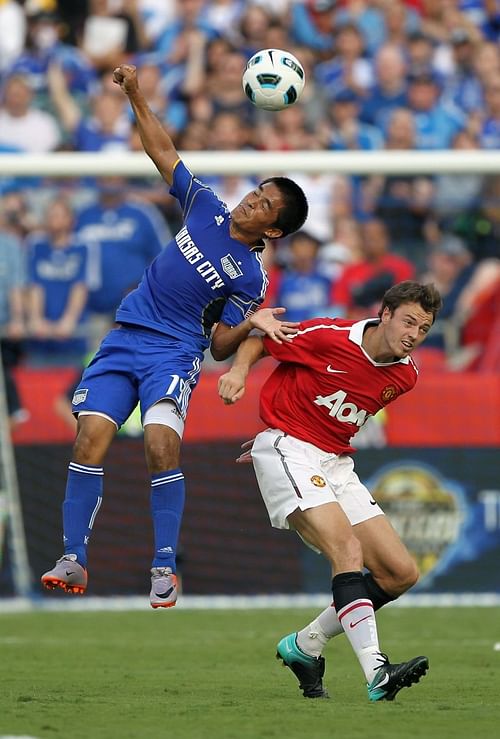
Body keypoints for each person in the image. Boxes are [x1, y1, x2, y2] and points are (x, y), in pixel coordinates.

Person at [40, 63, 309, 608]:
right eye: (255, 192)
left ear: (274, 229)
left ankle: (164, 567)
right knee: (89, 437)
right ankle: (74, 557)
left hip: (174, 352)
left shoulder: (250, 276)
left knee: (161, 447)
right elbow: (162, 152)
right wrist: (137, 94)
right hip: (123, 338)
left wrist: (249, 327)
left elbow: (219, 344)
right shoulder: (205, 206)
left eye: (263, 205)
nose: (250, 201)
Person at [218, 280, 442, 702]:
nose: (414, 334)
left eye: (424, 328)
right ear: (386, 314)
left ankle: (305, 645)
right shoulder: (330, 337)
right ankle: (377, 671)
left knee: (399, 573)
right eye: (409, 321)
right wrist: (238, 372)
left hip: (334, 462)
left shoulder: (406, 375)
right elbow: (262, 339)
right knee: (348, 553)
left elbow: (336, 409)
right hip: (289, 447)